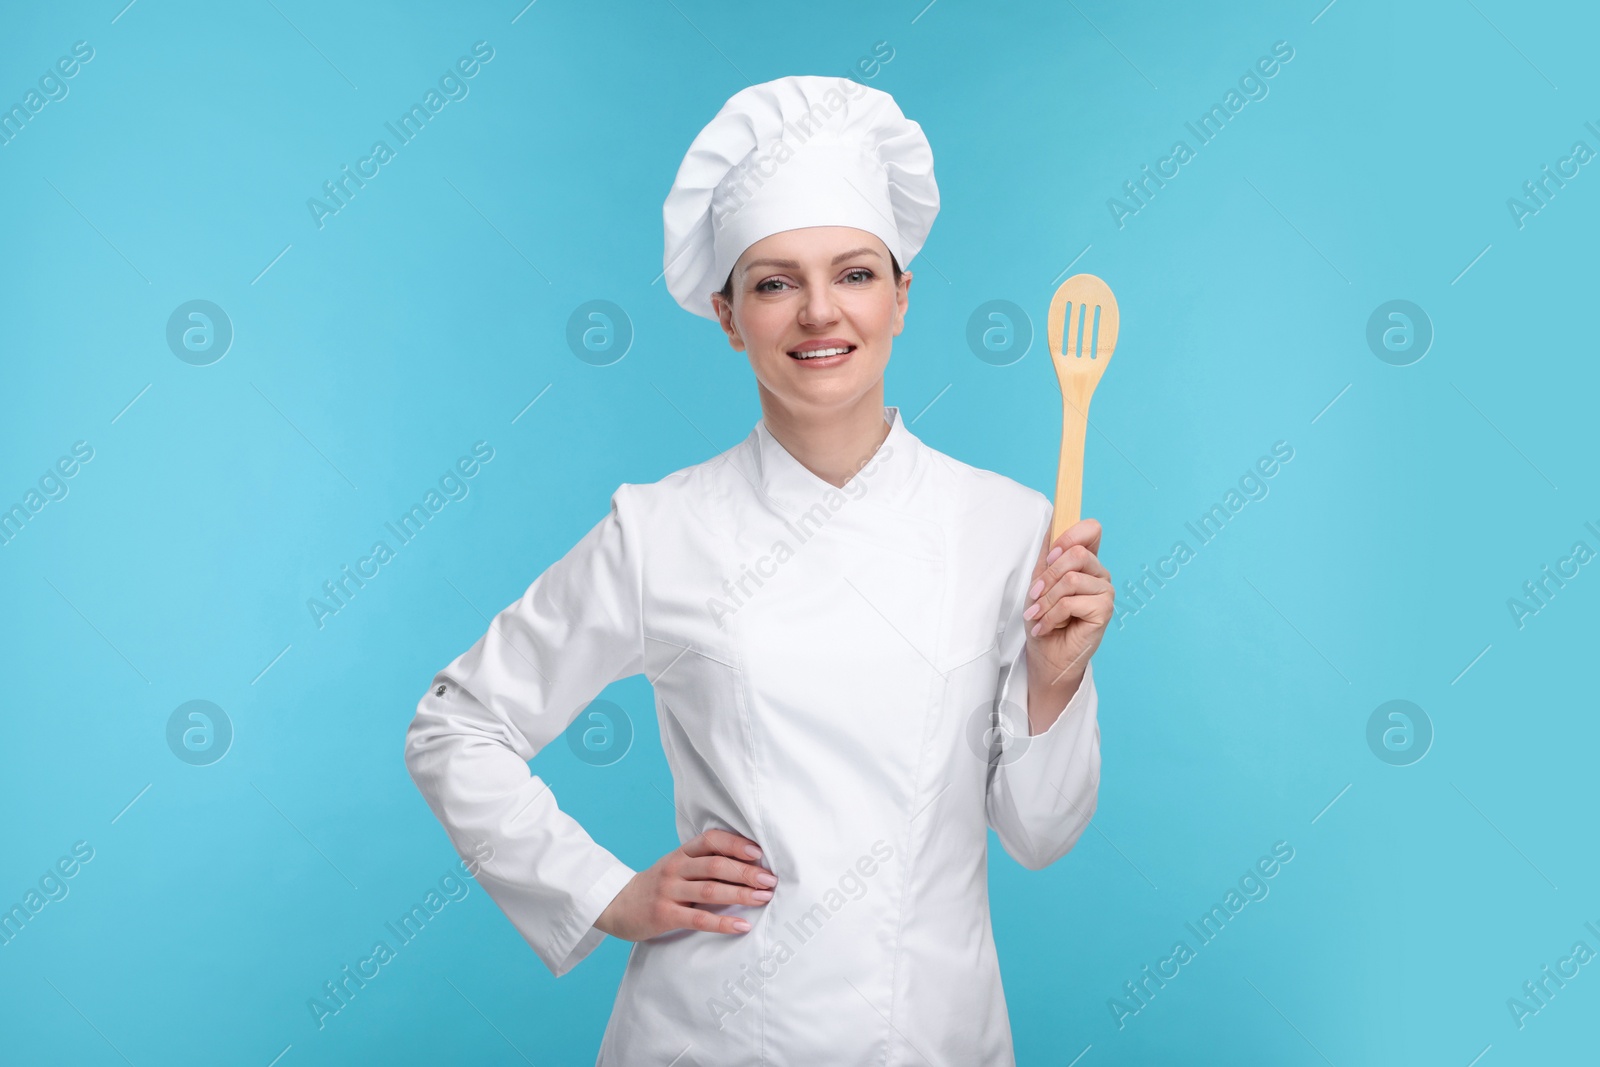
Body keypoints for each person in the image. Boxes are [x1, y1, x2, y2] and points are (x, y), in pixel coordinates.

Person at [404, 74, 1113, 1066]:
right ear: (727, 313)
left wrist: (1056, 679)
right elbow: (456, 723)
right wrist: (603, 891)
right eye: (775, 281)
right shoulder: (662, 530)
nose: (820, 312)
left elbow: (1038, 834)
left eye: (856, 273)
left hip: (935, 1034)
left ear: (903, 297)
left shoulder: (1004, 522)